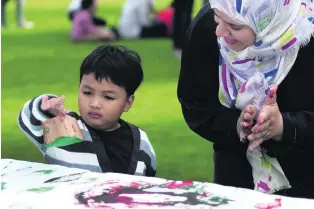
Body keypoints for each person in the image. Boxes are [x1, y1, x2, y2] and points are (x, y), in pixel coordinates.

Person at [177, 1, 314, 198]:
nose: (220, 32)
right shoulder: (210, 22)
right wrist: (236, 124)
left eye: (236, 26)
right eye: (218, 19)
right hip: (236, 173)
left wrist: (284, 125)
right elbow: (195, 103)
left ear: (269, 20)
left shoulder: (308, 33)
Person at [18, 45, 157, 177]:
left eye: (108, 97)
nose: (94, 104)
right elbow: (27, 118)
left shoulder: (140, 140)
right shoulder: (64, 126)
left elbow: (147, 182)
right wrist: (44, 109)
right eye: (87, 92)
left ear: (127, 102)